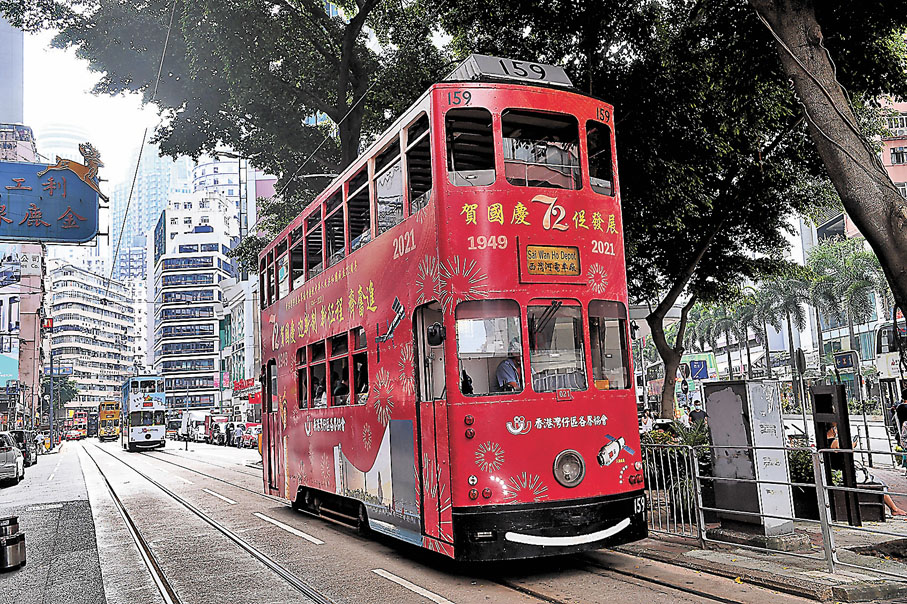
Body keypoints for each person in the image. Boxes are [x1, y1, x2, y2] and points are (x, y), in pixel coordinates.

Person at [828, 423, 906, 517]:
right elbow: (847, 455)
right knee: (878, 483)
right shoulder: (835, 442)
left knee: (874, 480)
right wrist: (853, 444)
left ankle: (893, 508)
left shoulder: (823, 441)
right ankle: (894, 509)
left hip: (835, 473)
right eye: (836, 428)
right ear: (832, 429)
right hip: (842, 474)